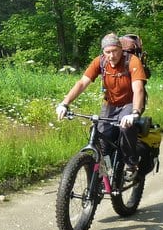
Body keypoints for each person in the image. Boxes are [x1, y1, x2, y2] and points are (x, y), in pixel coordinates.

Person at [56, 33, 147, 180]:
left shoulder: (132, 61)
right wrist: (64, 103)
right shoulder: (100, 62)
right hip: (110, 104)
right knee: (103, 138)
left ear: (121, 49)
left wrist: (135, 113)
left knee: (126, 127)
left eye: (115, 51)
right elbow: (82, 83)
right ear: (103, 52)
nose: (112, 56)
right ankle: (107, 171)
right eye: (108, 52)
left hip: (131, 103)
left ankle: (131, 163)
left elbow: (138, 89)